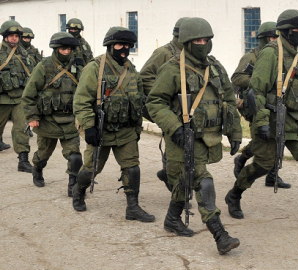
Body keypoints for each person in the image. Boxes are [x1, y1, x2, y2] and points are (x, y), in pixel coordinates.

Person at [224, 9, 298, 233]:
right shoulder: (270, 54)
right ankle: (234, 194)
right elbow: (256, 92)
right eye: (297, 29)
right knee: (263, 166)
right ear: (285, 30)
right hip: (273, 120)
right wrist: (262, 122)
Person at [147, 17, 242, 254]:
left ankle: (171, 218)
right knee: (203, 181)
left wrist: (234, 131)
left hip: (208, 137)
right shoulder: (172, 68)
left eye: (206, 39)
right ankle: (220, 234)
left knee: (184, 178)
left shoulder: (216, 67)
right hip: (182, 137)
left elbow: (229, 100)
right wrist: (175, 128)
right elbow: (155, 102)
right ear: (187, 43)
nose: (203, 43)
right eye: (198, 40)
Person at [72, 27, 155, 223]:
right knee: (92, 167)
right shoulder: (95, 68)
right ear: (110, 46)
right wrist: (89, 126)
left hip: (125, 130)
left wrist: (137, 128)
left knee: (132, 167)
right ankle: (79, 190)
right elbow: (81, 100)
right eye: (119, 45)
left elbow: (137, 101)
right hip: (101, 128)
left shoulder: (131, 70)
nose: (123, 49)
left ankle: (132, 207)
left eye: (127, 45)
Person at [231, 21, 290, 189]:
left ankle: (272, 176)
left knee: (279, 137)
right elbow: (236, 78)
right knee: (261, 140)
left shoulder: (280, 55)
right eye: (272, 37)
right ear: (263, 39)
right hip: (255, 104)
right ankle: (242, 158)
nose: (275, 40)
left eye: (277, 37)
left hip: (275, 104)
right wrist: (261, 80)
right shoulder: (252, 56)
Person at [22, 32, 83, 194]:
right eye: (63, 48)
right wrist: (32, 116)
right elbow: (28, 94)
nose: (66, 51)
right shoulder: (43, 67)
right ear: (56, 49)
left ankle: (73, 186)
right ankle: (37, 169)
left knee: (75, 156)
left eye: (69, 48)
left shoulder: (78, 67)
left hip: (70, 120)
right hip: (48, 121)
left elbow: (86, 92)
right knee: (43, 154)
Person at [140, 17, 188, 192]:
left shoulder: (192, 53)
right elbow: (145, 76)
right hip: (169, 109)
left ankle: (170, 175)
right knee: (174, 141)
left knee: (185, 144)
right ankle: (174, 183)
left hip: (188, 108)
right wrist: (165, 94)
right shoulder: (164, 53)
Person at [0, 20, 34, 172]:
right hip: (2, 98)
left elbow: (32, 73)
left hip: (20, 98)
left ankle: (23, 160)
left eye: (16, 36)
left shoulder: (23, 53)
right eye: (11, 35)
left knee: (22, 128)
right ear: (5, 36)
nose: (14, 38)